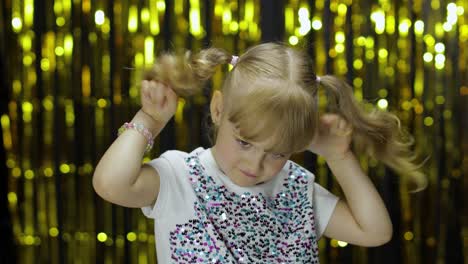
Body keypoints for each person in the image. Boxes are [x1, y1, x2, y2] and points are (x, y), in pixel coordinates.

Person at [93, 42, 426, 263]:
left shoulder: (296, 190)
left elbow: (376, 232)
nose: (256, 164)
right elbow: (111, 184)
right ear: (219, 109)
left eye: (278, 153)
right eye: (243, 142)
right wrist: (149, 120)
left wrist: (340, 157)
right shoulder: (179, 178)